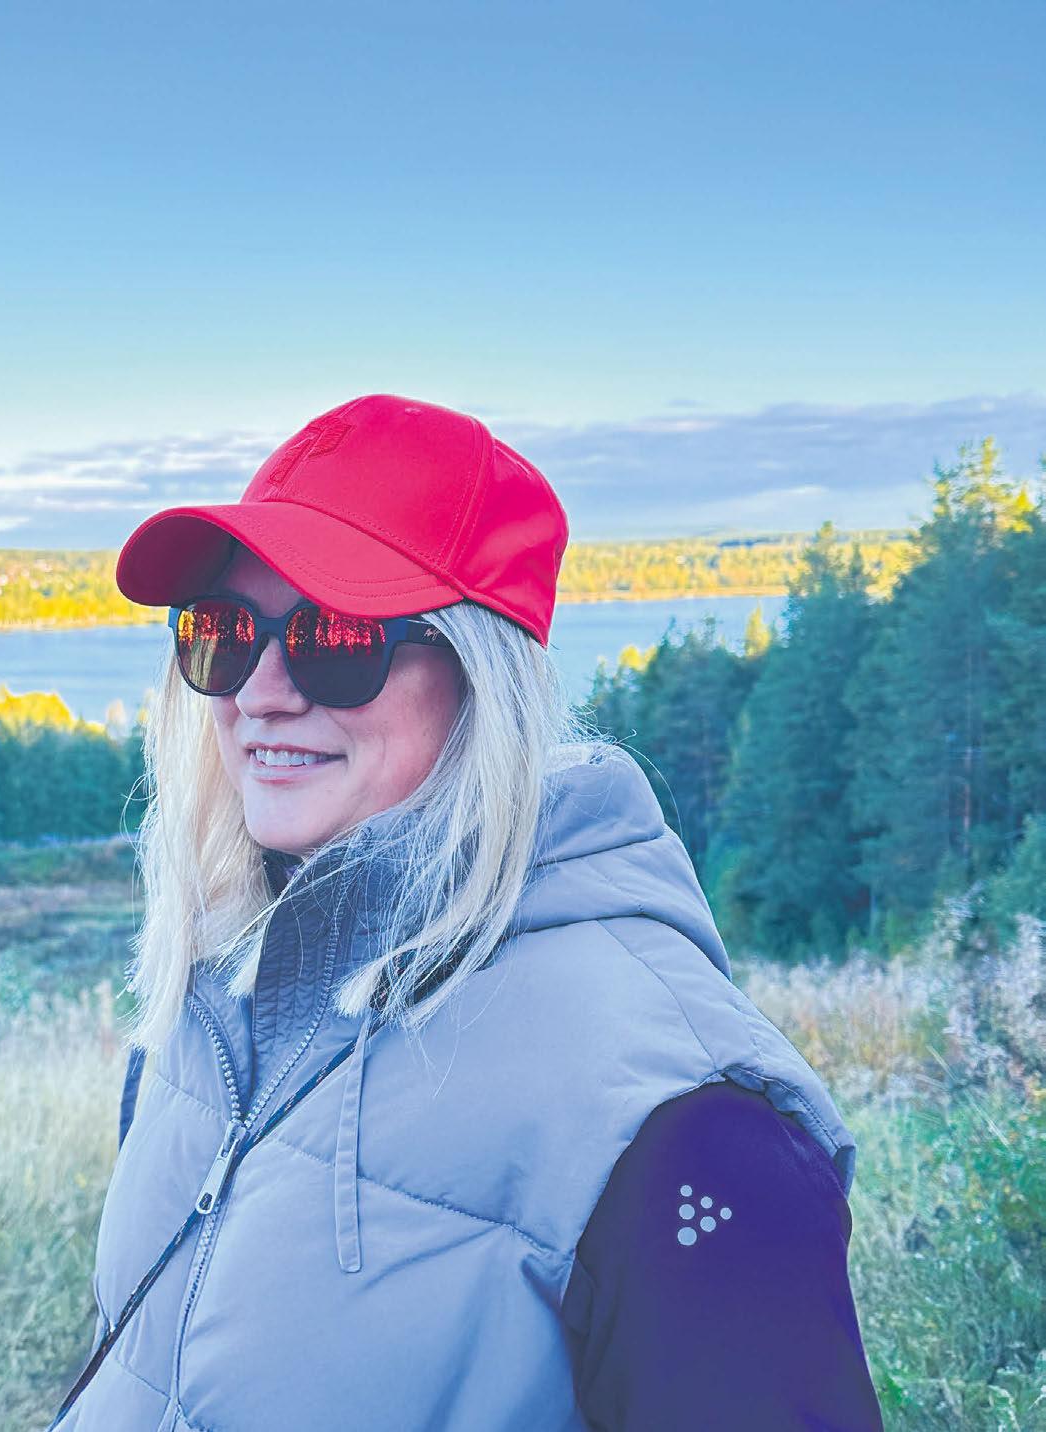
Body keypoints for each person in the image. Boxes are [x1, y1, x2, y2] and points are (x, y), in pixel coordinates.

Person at [48, 394, 884, 1431]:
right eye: (221, 632)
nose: (257, 693)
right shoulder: (213, 1002)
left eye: (333, 637)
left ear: (482, 676)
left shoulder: (688, 1134)